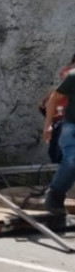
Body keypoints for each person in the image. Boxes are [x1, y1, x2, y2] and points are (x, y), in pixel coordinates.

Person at [41, 61, 75, 215]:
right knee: (72, 160)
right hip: (72, 126)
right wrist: (48, 126)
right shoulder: (73, 76)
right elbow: (53, 99)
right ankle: (55, 194)